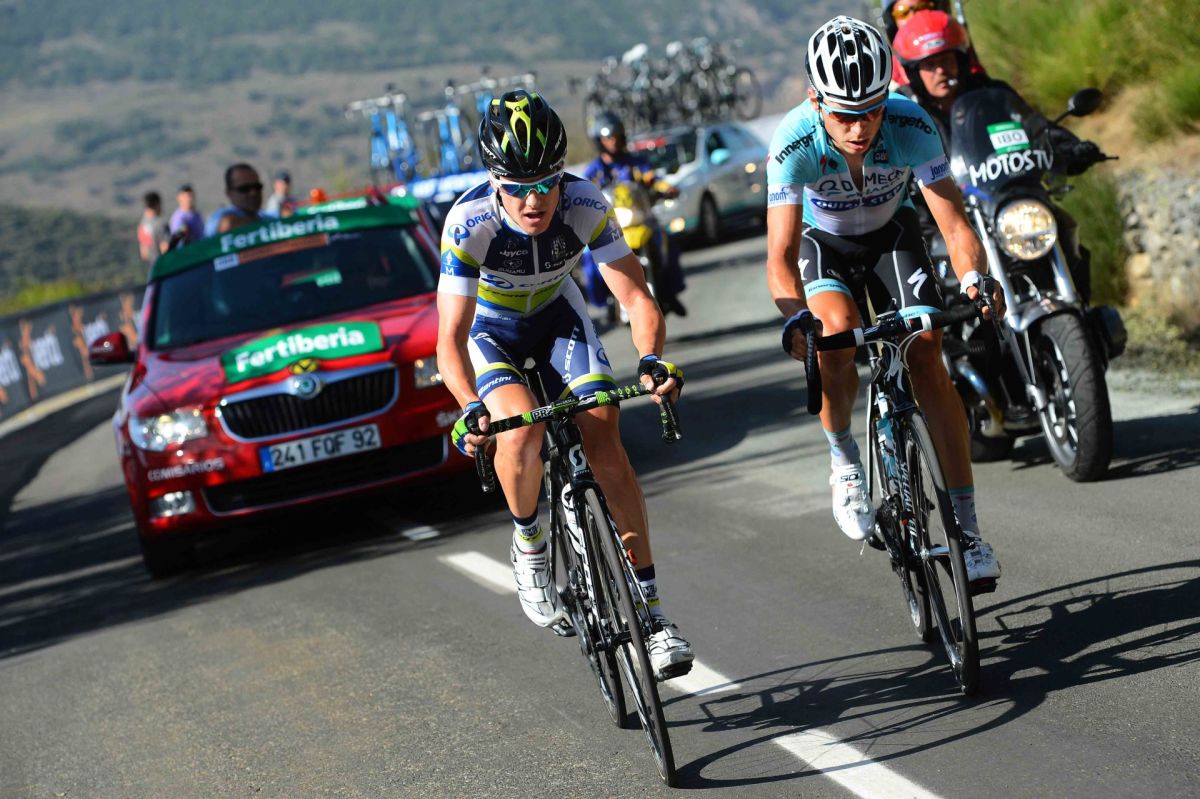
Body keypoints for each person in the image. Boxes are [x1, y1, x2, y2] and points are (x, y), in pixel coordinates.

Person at [437, 90, 694, 680]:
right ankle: (529, 544)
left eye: (546, 183)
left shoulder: (584, 202)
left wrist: (651, 360)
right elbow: (448, 340)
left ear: (561, 174)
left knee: (605, 431)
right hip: (491, 332)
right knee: (520, 432)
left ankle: (653, 617)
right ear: (494, 180)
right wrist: (469, 405)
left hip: (559, 319)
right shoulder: (468, 224)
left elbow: (636, 297)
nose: (534, 200)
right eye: (517, 187)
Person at [765, 16, 1004, 587]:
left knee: (926, 347)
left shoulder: (910, 122)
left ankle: (968, 532)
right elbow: (780, 256)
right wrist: (795, 318)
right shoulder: (793, 141)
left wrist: (974, 278)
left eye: (871, 110)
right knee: (836, 338)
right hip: (824, 244)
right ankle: (844, 459)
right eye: (844, 115)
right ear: (815, 101)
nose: (860, 127)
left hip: (892, 234)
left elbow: (954, 224)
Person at [892, 9, 1105, 300]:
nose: (940, 70)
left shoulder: (991, 93)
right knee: (932, 274)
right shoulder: (905, 113)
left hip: (1001, 201)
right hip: (943, 217)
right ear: (913, 71)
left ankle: (1085, 314)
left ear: (961, 60)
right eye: (930, 64)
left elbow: (1034, 127)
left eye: (946, 59)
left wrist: (1070, 148)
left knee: (1062, 226)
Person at [581, 110, 687, 317]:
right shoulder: (594, 170)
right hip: (608, 227)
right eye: (608, 138)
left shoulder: (635, 163)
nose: (613, 142)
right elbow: (583, 192)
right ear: (599, 141)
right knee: (588, 259)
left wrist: (666, 188)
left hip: (641, 220)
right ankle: (606, 301)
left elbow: (653, 179)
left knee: (668, 243)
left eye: (616, 137)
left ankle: (670, 293)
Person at [204, 163, 266, 237]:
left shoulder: (266, 217)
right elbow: (227, 225)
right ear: (229, 192)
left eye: (257, 187)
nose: (253, 193)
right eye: (244, 188)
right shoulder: (222, 218)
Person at [137, 191, 170, 264]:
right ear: (157, 205)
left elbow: (144, 254)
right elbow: (165, 248)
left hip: (151, 266)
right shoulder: (161, 224)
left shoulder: (142, 224)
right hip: (162, 265)